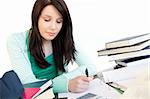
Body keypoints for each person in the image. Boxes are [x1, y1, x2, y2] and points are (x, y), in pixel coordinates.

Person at [7, 0, 97, 93]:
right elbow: (30, 85)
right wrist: (65, 84)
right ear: (36, 18)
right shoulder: (15, 41)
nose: (53, 27)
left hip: (61, 94)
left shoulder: (64, 37)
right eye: (47, 20)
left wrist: (66, 80)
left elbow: (91, 67)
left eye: (59, 21)